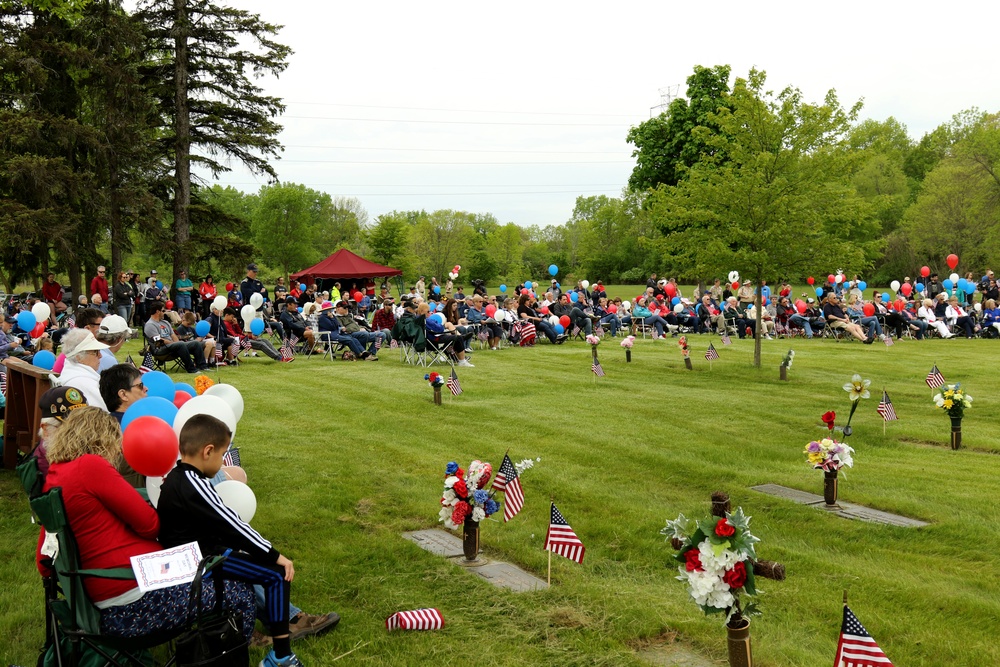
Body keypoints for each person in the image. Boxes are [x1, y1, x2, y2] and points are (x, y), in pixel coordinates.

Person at [35, 407, 257, 641]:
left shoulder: (56, 475)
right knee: (238, 587)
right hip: (132, 601)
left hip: (103, 598)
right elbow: (150, 524)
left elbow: (44, 562)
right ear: (103, 438)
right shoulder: (90, 466)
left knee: (219, 559)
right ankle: (239, 647)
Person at [158, 415, 309, 666]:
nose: (222, 462)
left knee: (266, 569)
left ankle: (281, 651)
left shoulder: (178, 477)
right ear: (208, 451)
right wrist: (274, 554)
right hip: (199, 563)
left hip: (199, 555)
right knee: (276, 573)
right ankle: (281, 656)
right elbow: (232, 524)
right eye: (223, 454)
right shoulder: (193, 483)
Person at [143, 301, 210, 372]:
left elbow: (173, 335)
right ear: (157, 311)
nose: (164, 312)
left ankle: (202, 366)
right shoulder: (150, 325)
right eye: (163, 311)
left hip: (172, 346)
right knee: (180, 344)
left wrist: (177, 343)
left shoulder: (165, 322)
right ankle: (191, 369)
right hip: (160, 349)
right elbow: (158, 340)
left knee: (195, 343)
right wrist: (174, 343)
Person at [57, 329, 110, 409]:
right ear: (79, 357)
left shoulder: (72, 373)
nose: (100, 356)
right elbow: (103, 415)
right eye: (95, 352)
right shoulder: (84, 383)